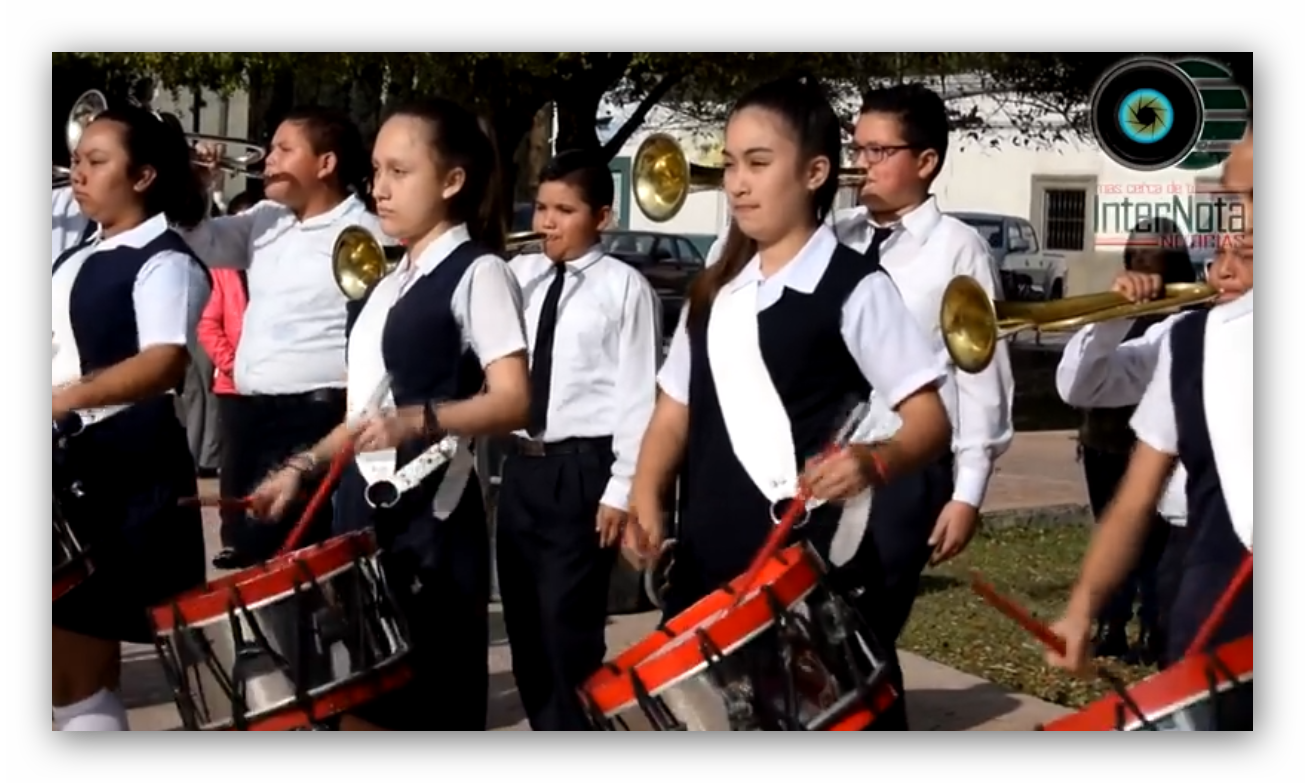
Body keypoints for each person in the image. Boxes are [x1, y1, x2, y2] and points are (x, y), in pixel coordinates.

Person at [627, 76, 953, 732]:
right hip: (707, 573)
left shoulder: (853, 287)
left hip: (805, 577)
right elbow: (672, 410)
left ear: (813, 172)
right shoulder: (712, 290)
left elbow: (929, 420)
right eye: (729, 165)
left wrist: (873, 460)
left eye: (757, 163)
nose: (736, 183)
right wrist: (644, 493)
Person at [250, 98, 531, 732]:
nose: (379, 188)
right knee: (360, 705)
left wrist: (418, 422)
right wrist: (299, 467)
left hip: (430, 520)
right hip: (366, 514)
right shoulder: (389, 279)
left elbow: (514, 398)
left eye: (400, 172)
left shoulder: (479, 271)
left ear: (452, 181)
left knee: (421, 710)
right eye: (376, 171)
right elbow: (365, 410)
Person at [707, 83, 1012, 644]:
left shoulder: (957, 248)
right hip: (820, 470)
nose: (862, 166)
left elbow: (980, 376)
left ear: (925, 162)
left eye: (879, 152)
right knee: (795, 634)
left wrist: (967, 493)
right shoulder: (834, 235)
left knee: (859, 636)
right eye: (858, 149)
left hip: (903, 469)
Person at [1050, 129, 1250, 697]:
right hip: (1198, 562)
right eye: (1233, 204)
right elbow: (1084, 388)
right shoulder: (1187, 339)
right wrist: (1113, 314)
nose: (1238, 230)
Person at [51, 103, 211, 731]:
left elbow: (164, 362)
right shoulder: (80, 253)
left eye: (96, 162)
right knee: (68, 671)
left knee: (78, 668)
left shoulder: (164, 257)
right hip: (79, 466)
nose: (77, 173)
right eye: (76, 161)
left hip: (122, 475)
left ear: (143, 177)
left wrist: (63, 399)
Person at [184, 108, 386, 568]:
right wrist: (194, 186)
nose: (268, 159)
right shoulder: (264, 218)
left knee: (293, 557)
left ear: (326, 164)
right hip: (250, 411)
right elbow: (202, 242)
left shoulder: (363, 232)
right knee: (250, 549)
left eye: (284, 149)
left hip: (313, 412)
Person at [501, 151, 660, 730]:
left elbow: (638, 394)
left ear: (601, 217)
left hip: (582, 470)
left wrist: (622, 488)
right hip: (521, 467)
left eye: (564, 211)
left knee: (566, 627)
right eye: (542, 208)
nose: (547, 222)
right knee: (524, 626)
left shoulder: (625, 288)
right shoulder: (517, 278)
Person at [1056, 218, 1196, 664]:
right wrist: (1113, 318)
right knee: (1121, 540)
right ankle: (1115, 627)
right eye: (1133, 253)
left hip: (1172, 476)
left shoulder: (1188, 324)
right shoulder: (1155, 326)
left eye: (1151, 253)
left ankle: (1157, 631)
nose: (1140, 262)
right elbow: (1079, 387)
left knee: (1157, 557)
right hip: (1109, 449)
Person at [197, 191, 257, 564]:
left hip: (275, 384)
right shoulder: (223, 269)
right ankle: (233, 537)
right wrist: (234, 364)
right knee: (235, 465)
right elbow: (209, 323)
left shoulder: (279, 266)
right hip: (234, 384)